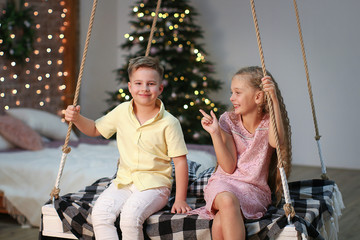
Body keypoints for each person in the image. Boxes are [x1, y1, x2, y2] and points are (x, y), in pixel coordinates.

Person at [64, 56, 191, 240]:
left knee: (130, 218)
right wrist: (76, 119)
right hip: (123, 181)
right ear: (130, 87)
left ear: (160, 88)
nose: (144, 89)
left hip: (155, 185)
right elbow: (93, 129)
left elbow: (180, 162)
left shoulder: (169, 123)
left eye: (151, 84)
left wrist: (180, 198)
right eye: (138, 83)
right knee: (100, 215)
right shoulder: (122, 111)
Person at [189, 66, 291, 240]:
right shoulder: (228, 120)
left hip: (253, 189)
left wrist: (273, 99)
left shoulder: (267, 122)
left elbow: (276, 141)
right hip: (223, 183)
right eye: (232, 92)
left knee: (221, 219)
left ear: (258, 97)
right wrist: (215, 133)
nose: (231, 98)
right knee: (227, 201)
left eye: (237, 93)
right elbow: (228, 167)